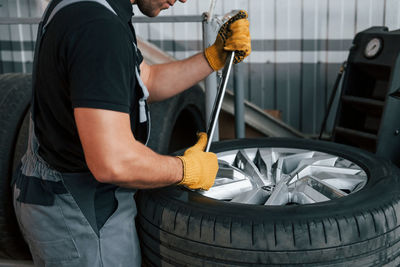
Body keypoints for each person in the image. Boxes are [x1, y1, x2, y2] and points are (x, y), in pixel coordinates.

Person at [11, 0, 251, 266]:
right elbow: (113, 161)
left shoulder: (92, 7)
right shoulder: (98, 28)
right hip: (83, 217)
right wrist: (186, 170)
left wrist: (212, 57)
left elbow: (146, 80)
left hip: (56, 193)